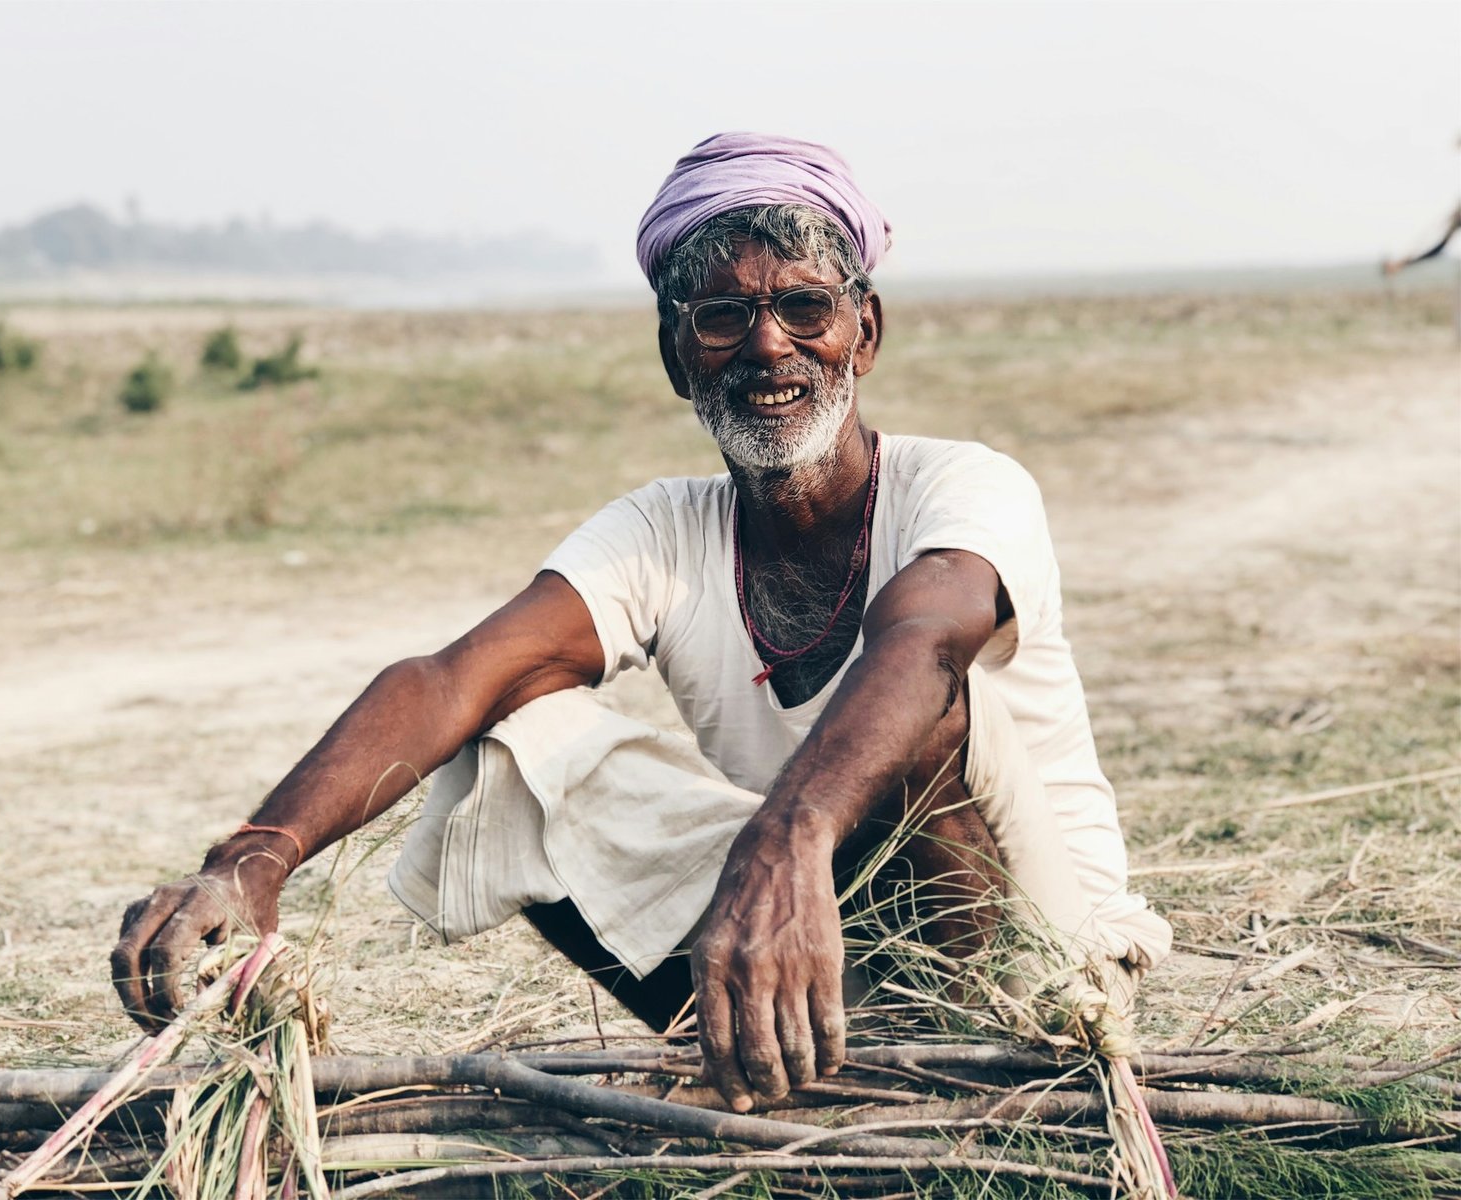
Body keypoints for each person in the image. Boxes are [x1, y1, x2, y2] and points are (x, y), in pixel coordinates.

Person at [113, 132, 1171, 1114]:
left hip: (1041, 959)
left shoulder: (965, 486)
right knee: (511, 732)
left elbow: (925, 644)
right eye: (721, 317)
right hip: (809, 928)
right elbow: (451, 679)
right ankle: (764, 1059)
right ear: (677, 357)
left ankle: (972, 1077)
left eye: (806, 307)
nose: (769, 346)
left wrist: (786, 835)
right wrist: (255, 855)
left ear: (865, 332)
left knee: (937, 705)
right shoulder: (665, 530)